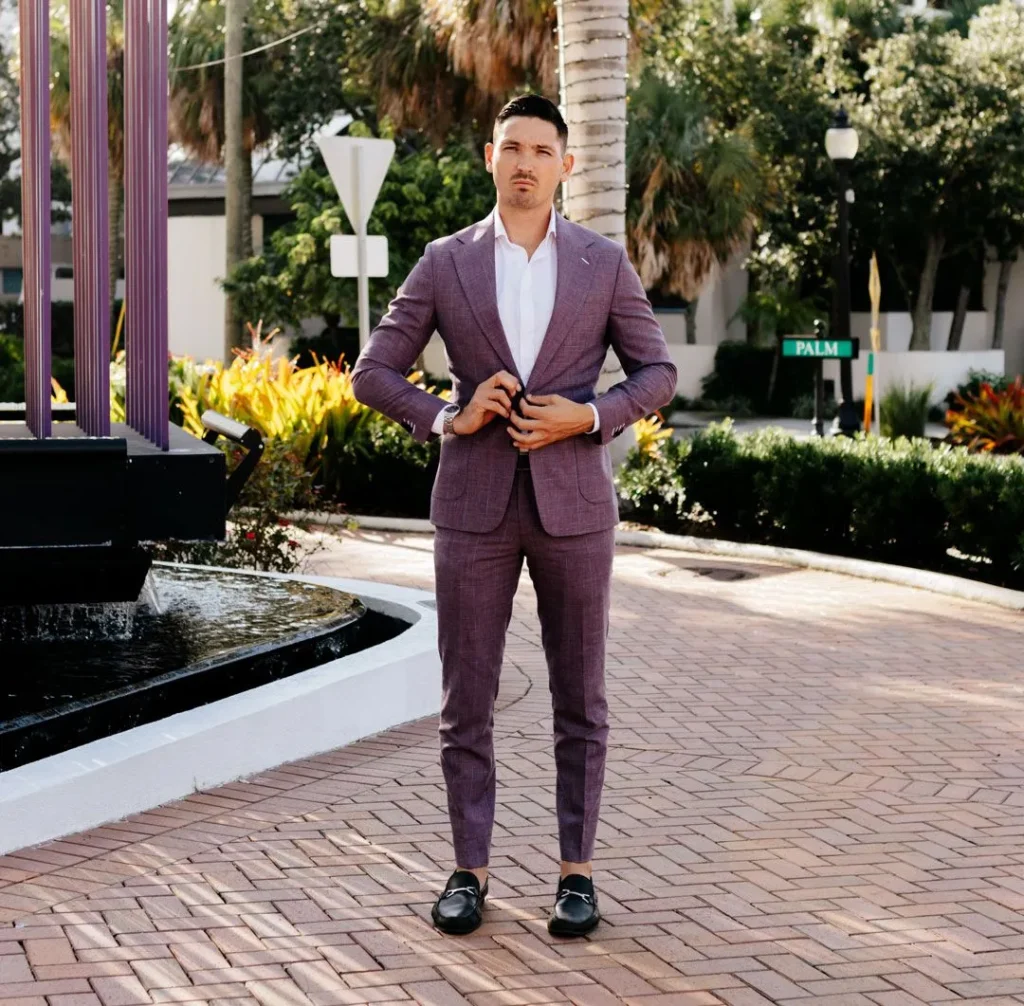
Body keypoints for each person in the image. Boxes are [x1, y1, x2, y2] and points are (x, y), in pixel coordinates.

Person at [351, 93, 677, 937]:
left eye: (541, 149)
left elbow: (657, 371)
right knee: (467, 699)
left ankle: (577, 874)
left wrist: (592, 417)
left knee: (582, 697)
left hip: (575, 504)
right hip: (472, 505)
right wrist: (446, 417)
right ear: (487, 158)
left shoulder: (603, 263)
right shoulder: (445, 261)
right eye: (512, 147)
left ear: (566, 166)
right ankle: (468, 871)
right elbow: (372, 370)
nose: (525, 162)